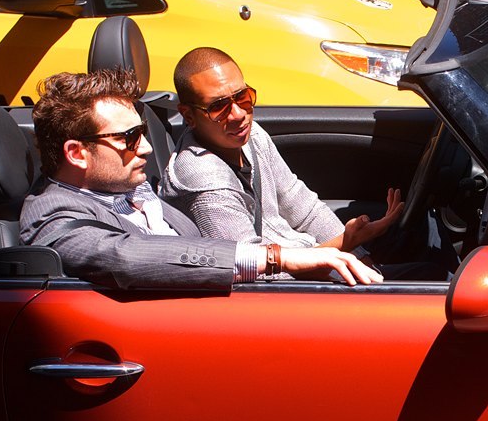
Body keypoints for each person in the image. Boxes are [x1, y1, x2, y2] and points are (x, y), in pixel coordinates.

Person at [19, 68, 382, 291]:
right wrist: (278, 258)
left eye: (142, 133)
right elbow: (126, 256)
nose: (145, 148)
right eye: (128, 139)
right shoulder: (55, 221)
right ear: (76, 153)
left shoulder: (123, 185)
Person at [159, 47, 407, 270]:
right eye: (218, 107)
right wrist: (344, 244)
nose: (237, 114)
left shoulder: (253, 135)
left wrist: (363, 259)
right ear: (189, 116)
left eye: (242, 97)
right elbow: (255, 277)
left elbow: (305, 209)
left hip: (316, 261)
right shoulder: (203, 183)